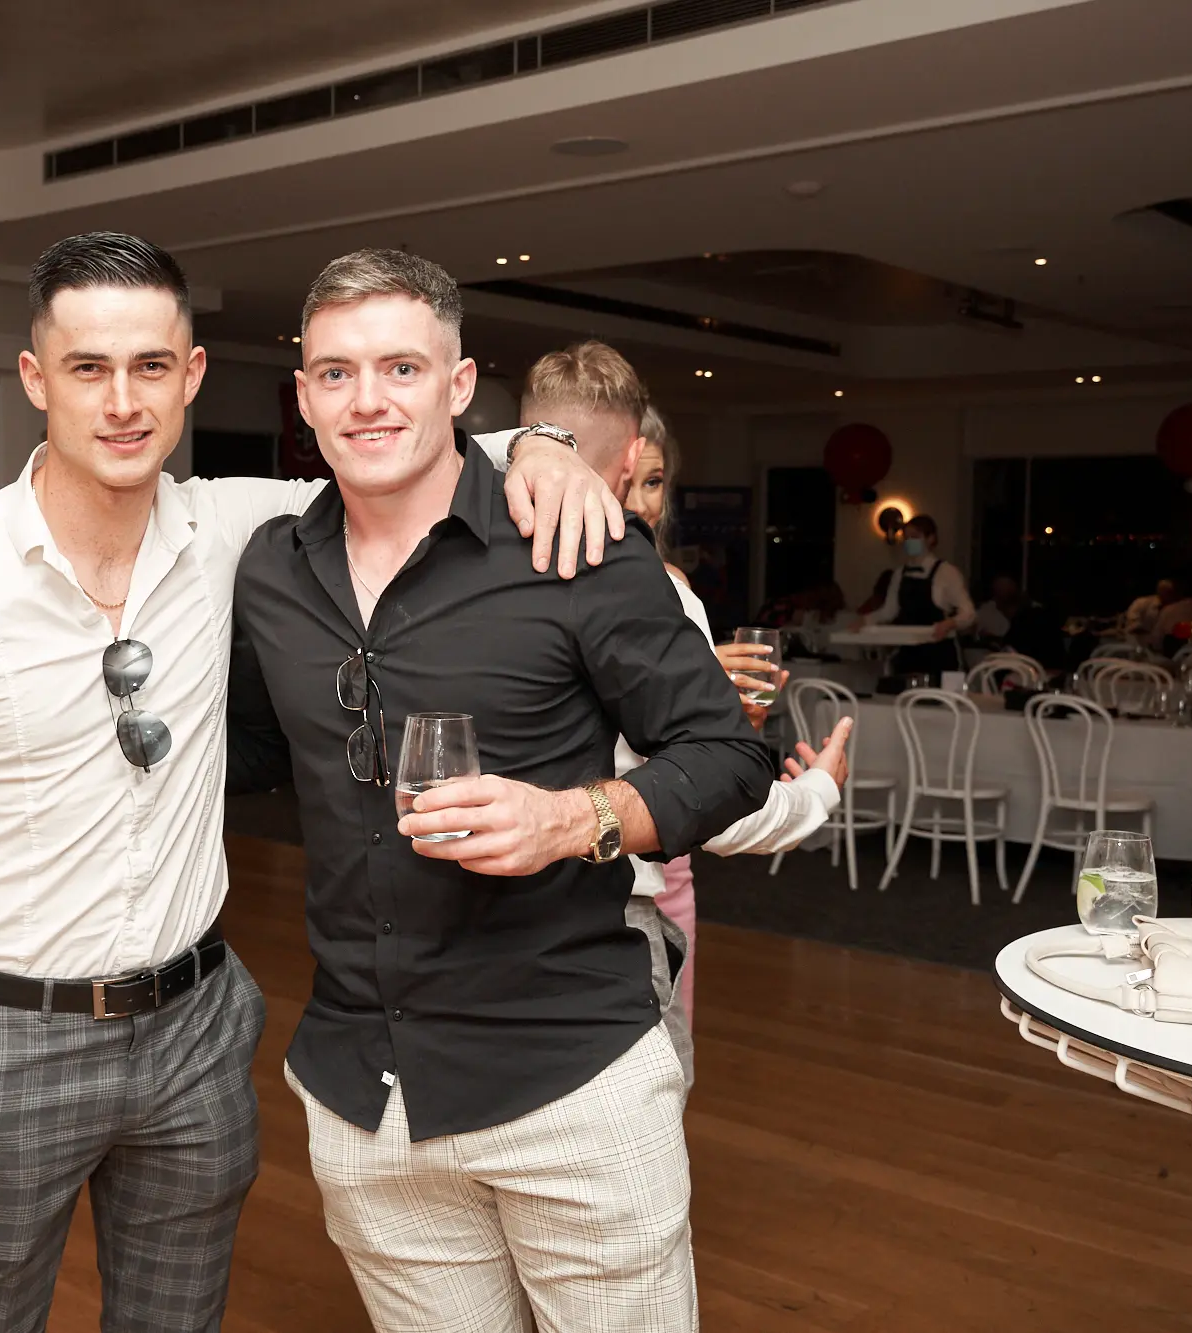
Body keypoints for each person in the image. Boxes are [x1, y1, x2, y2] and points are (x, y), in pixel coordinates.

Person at [0, 231, 617, 1332]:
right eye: (88, 367)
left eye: (150, 366)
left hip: (195, 1034)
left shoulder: (229, 527)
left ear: (191, 375)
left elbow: (400, 437)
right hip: (3, 1040)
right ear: (35, 379)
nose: (122, 402)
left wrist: (543, 442)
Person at [225, 251, 774, 1331]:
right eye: (335, 373)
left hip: (569, 1084)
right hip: (365, 1098)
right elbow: (245, 756)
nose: (368, 399)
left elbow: (726, 754)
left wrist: (573, 818)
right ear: (303, 398)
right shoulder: (271, 569)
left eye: (401, 367)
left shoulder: (575, 542)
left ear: (460, 384)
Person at [495, 350, 850, 1046]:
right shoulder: (649, 592)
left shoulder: (462, 569)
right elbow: (706, 809)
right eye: (642, 477)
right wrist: (818, 792)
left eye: (660, 484)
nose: (644, 500)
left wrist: (712, 718)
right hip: (604, 923)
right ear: (628, 459)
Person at [867, 513, 975, 678]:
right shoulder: (899, 574)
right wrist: (865, 621)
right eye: (906, 537)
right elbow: (889, 611)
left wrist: (950, 623)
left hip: (940, 653)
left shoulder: (947, 572)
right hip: (908, 653)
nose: (909, 542)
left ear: (931, 539)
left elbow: (969, 613)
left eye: (915, 537)